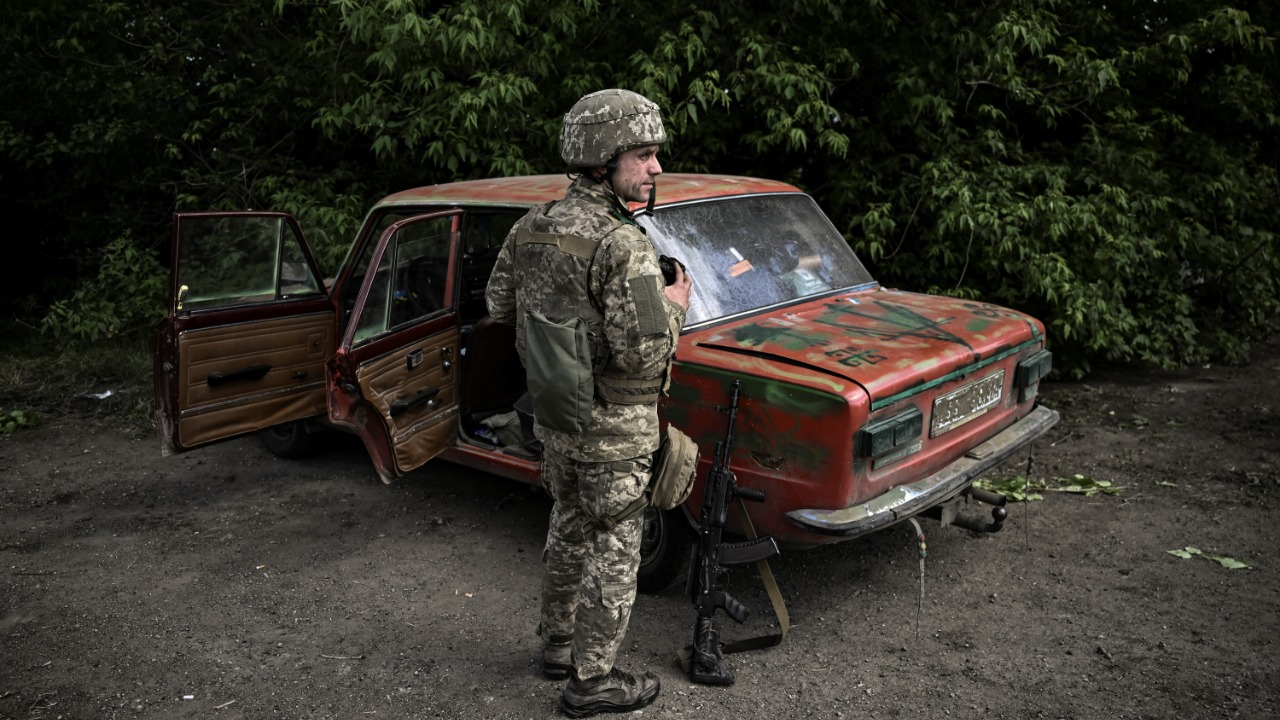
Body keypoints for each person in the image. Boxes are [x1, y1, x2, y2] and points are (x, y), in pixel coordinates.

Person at [485, 89, 691, 718]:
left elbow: (497, 308)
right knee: (615, 545)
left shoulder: (531, 226)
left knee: (568, 526)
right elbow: (642, 354)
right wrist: (676, 305)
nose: (656, 169)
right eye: (646, 156)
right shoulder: (621, 243)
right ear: (605, 160)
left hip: (557, 419)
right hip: (614, 426)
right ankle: (593, 681)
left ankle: (556, 648)